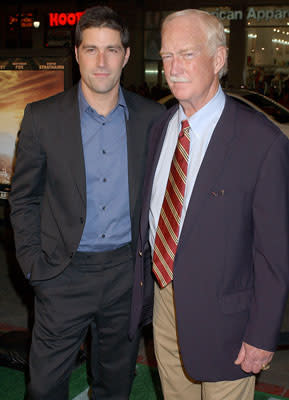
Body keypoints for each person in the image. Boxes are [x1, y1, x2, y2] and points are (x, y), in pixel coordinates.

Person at [130, 9, 289, 400]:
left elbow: (275, 253)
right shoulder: (161, 128)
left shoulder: (262, 143)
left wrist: (261, 334)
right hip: (165, 302)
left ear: (218, 59)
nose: (173, 67)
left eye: (187, 54)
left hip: (228, 319)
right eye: (166, 56)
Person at [9, 6, 163, 400]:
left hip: (126, 277)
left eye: (111, 50)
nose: (101, 60)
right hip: (63, 273)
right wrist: (34, 266)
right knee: (43, 388)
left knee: (116, 386)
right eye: (91, 49)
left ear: (126, 56)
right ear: (75, 53)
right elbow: (24, 198)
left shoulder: (152, 119)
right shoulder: (42, 118)